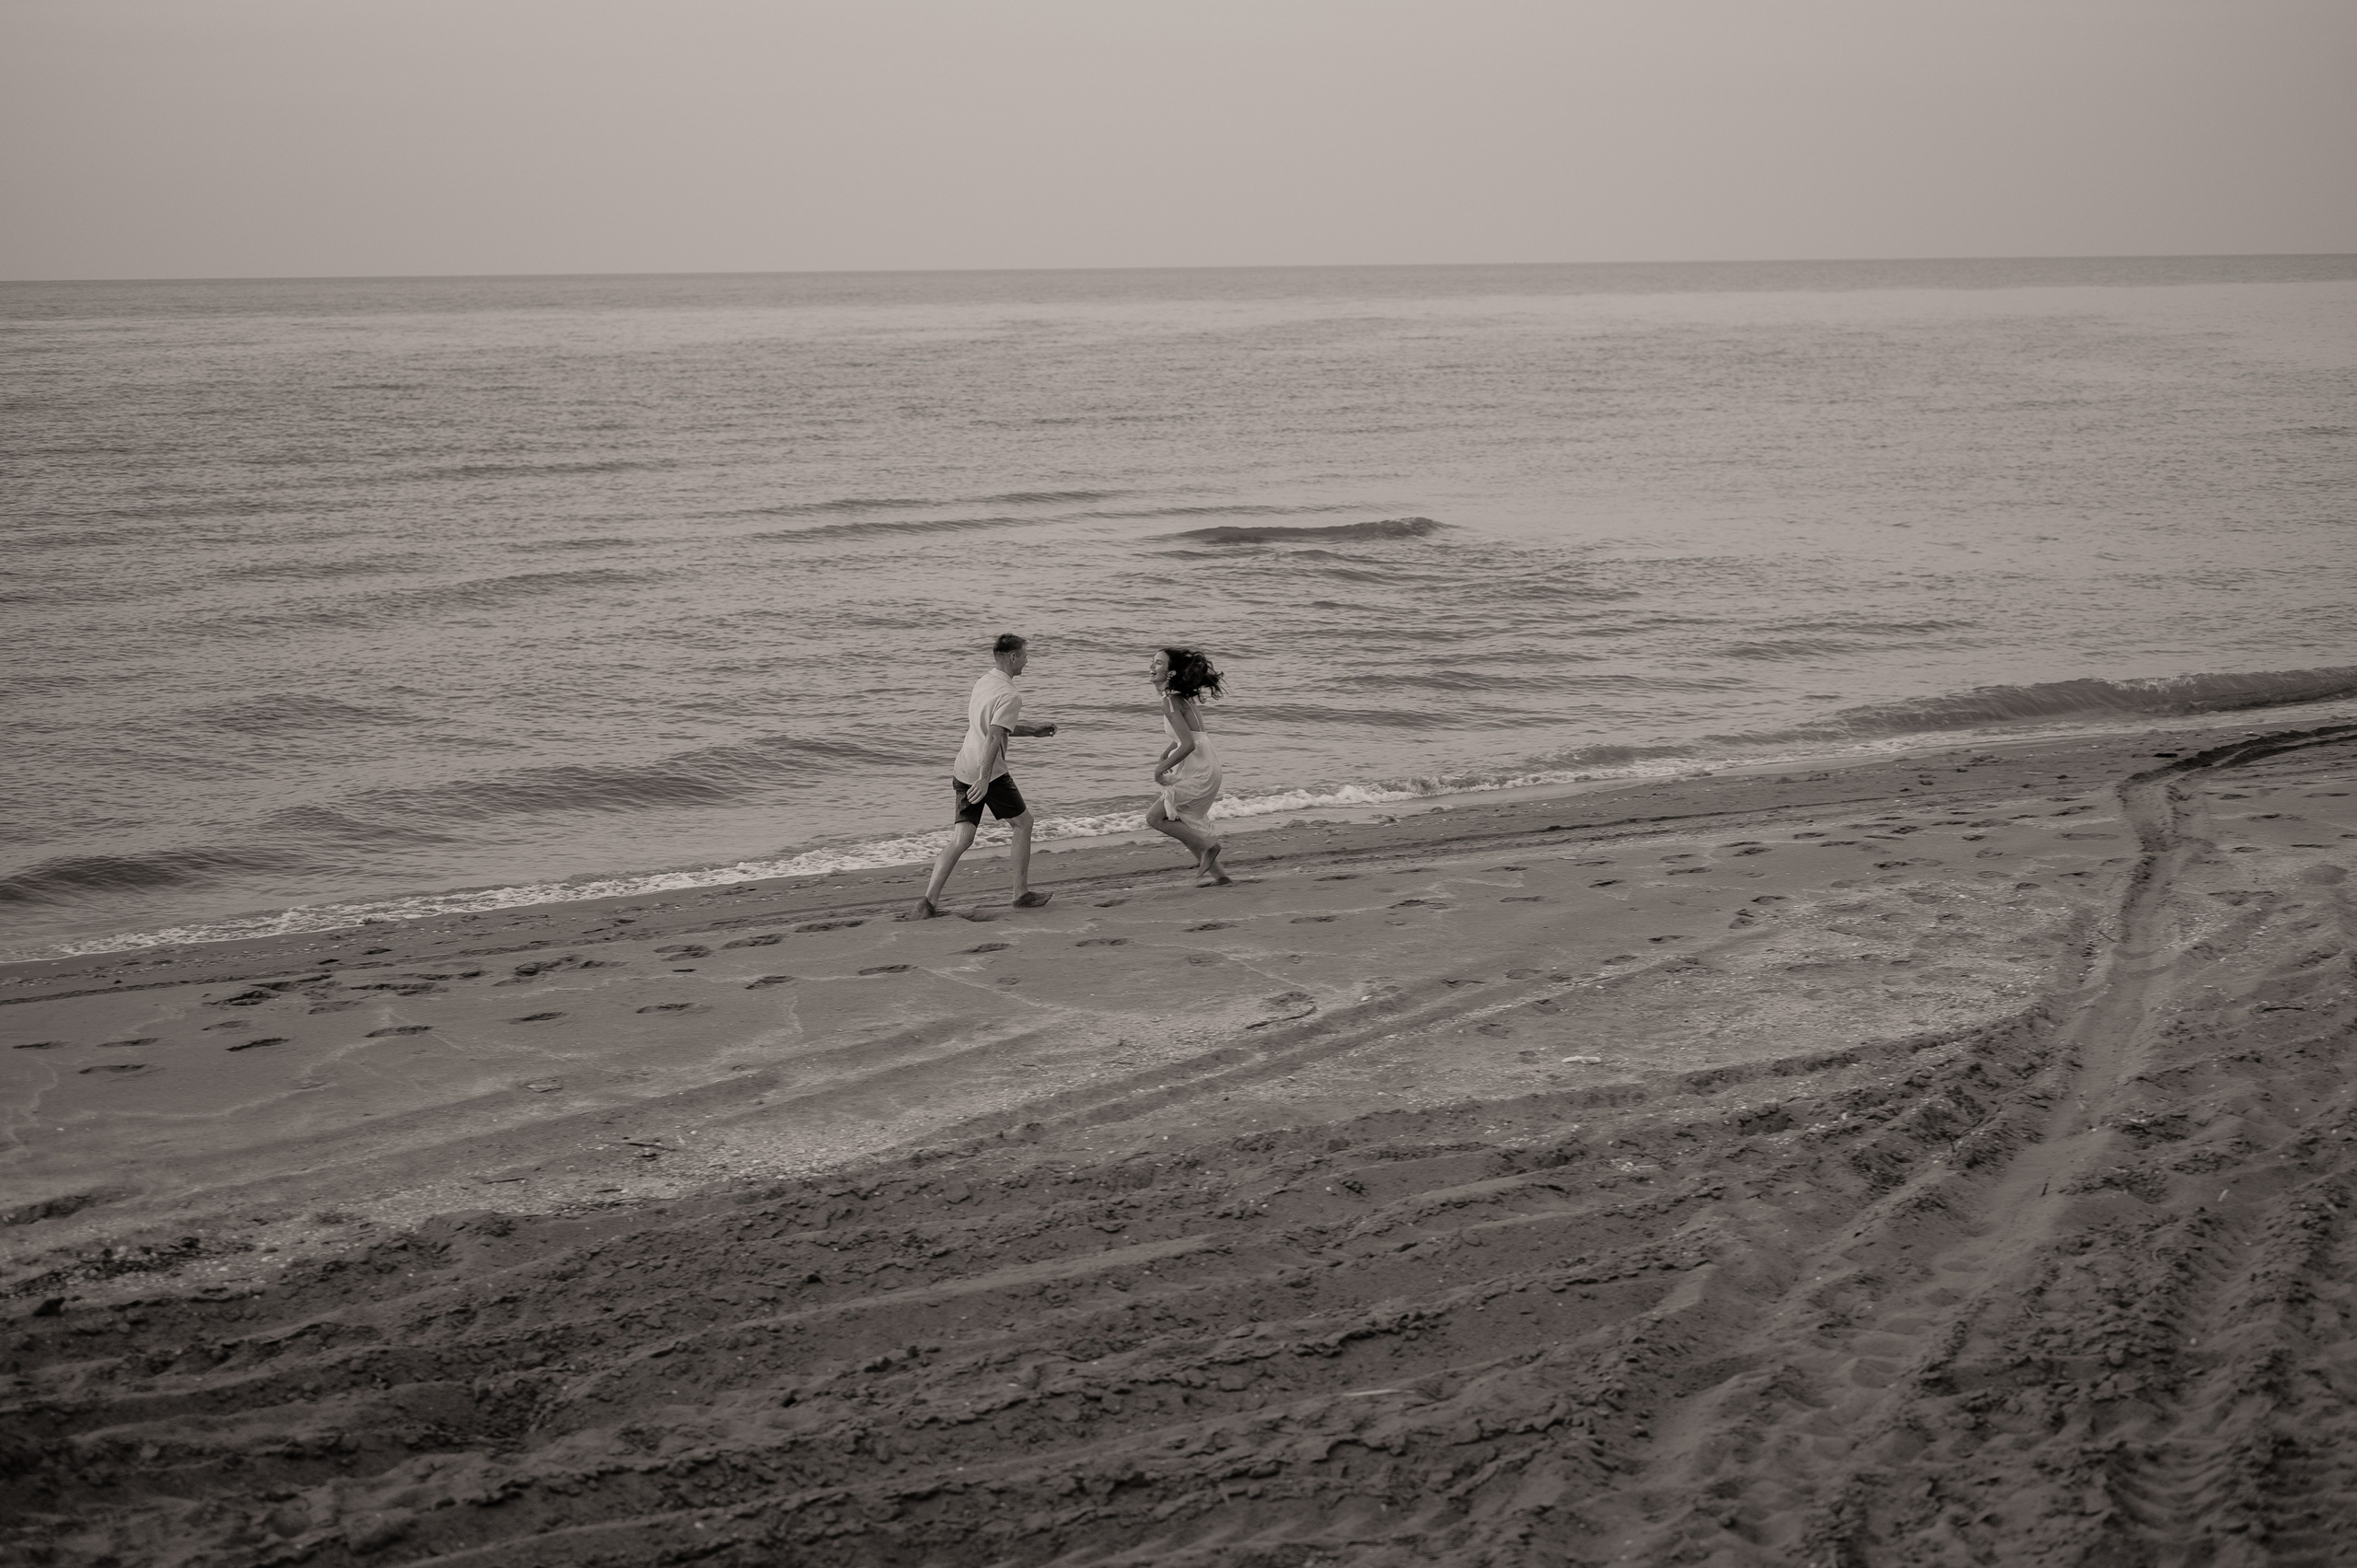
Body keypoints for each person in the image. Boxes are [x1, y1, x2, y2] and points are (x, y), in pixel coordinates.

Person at [911, 633, 1058, 919]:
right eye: (1025, 655)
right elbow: (992, 737)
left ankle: (927, 903)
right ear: (1012, 657)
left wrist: (1032, 731)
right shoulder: (1011, 695)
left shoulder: (984, 681)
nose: (1027, 661)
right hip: (988, 774)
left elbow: (993, 727)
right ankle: (1021, 894)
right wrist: (984, 778)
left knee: (962, 838)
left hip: (963, 766)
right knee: (1024, 824)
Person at [1147, 645, 1230, 886]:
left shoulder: (1169, 701)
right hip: (1207, 764)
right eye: (1152, 661)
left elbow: (1188, 744)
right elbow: (1190, 736)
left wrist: (1159, 770)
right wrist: (1167, 753)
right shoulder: (1181, 699)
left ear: (1171, 672)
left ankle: (1209, 846)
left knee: (1154, 818)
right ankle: (1221, 878)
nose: (1152, 666)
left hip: (1199, 767)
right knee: (1179, 823)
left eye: (1159, 662)